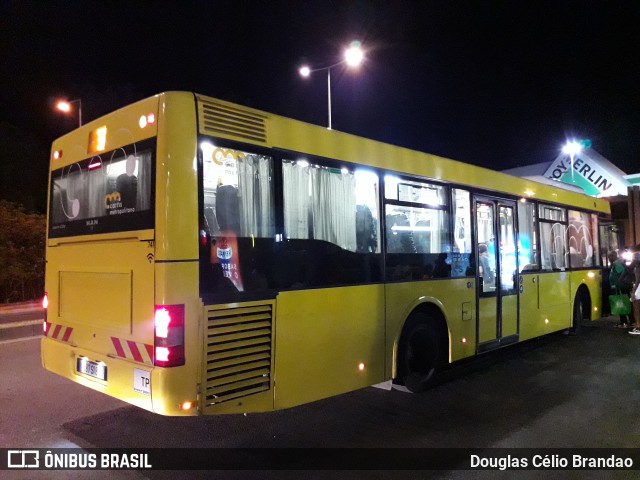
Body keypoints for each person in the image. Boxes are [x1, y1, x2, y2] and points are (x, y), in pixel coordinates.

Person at [608, 250, 631, 328]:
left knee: (622, 303)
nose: (608, 258)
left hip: (620, 287)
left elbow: (623, 271)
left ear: (613, 256)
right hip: (619, 286)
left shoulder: (616, 263)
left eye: (609, 256)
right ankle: (628, 321)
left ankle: (624, 322)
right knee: (624, 302)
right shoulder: (615, 263)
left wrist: (619, 280)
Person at [628, 245, 640, 335]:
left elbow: (638, 280)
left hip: (639, 287)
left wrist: (633, 291)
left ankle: (638, 326)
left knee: (636, 307)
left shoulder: (638, 265)